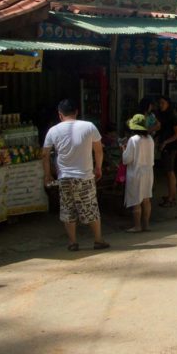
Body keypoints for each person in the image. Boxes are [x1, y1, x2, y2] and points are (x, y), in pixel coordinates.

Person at [42, 99, 109, 251]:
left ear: (60, 115)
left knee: (67, 209)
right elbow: (98, 150)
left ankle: (72, 243)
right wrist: (98, 168)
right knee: (90, 207)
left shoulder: (53, 130)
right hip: (85, 176)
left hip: (64, 177)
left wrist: (47, 175)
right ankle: (98, 240)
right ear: (76, 111)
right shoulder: (89, 126)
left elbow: (45, 155)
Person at [122, 113, 155, 233]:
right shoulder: (150, 139)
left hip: (136, 173)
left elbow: (127, 159)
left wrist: (123, 150)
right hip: (148, 172)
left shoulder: (133, 140)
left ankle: (137, 226)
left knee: (136, 201)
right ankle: (146, 225)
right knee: (146, 199)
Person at [156, 96, 177, 208]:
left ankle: (171, 198)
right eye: (159, 103)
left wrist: (165, 142)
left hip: (170, 148)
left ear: (168, 104)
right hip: (166, 147)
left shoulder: (171, 117)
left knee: (170, 172)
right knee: (168, 172)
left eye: (163, 103)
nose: (160, 105)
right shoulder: (163, 116)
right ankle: (171, 196)